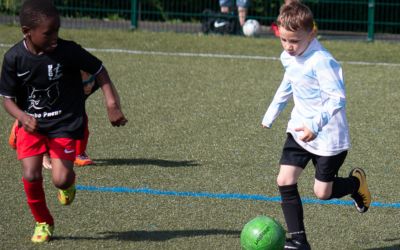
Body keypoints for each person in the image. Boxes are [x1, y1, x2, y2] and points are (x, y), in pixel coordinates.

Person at [0, 0, 127, 243]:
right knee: (31, 174)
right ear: (27, 32)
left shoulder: (67, 51)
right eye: (48, 33)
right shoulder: (14, 58)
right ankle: (43, 221)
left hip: (64, 123)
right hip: (31, 124)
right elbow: (7, 98)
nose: (55, 37)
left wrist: (112, 104)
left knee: (62, 178)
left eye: (57, 30)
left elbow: (99, 69)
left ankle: (68, 184)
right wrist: (22, 117)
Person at [261, 2, 370, 249]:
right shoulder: (287, 56)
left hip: (329, 137)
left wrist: (316, 125)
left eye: (294, 41)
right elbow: (288, 83)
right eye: (284, 40)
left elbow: (337, 98)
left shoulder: (322, 60)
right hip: (299, 131)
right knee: (285, 180)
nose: (288, 47)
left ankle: (355, 184)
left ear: (312, 34)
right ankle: (299, 241)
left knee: (322, 193)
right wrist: (271, 114)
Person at [8, 70, 98, 169]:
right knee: (51, 118)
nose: (89, 86)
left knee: (79, 114)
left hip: (68, 100)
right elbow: (44, 118)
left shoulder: (96, 79)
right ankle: (20, 127)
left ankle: (79, 152)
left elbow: (101, 76)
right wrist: (44, 154)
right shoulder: (56, 87)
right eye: (84, 83)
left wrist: (112, 104)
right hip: (40, 113)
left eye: (90, 78)